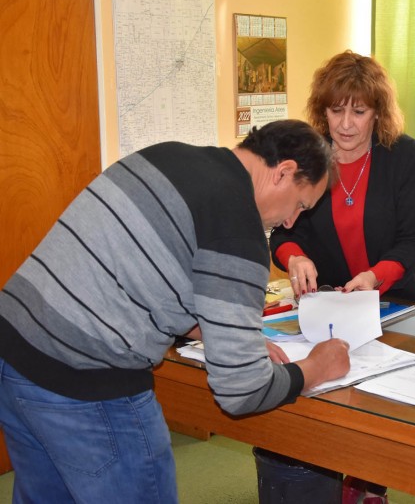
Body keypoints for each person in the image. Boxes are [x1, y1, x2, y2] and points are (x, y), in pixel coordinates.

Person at [0, 119, 351, 503]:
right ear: (283, 172)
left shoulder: (168, 156)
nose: (290, 221)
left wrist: (221, 334)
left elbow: (145, 277)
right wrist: (317, 366)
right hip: (86, 381)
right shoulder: (238, 226)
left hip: (15, 351)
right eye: (300, 205)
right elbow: (241, 391)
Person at [262, 50, 415, 504]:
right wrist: (294, 256)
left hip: (395, 299)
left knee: (382, 407)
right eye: (336, 110)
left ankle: (367, 485)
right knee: (332, 400)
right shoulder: (308, 158)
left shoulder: (404, 156)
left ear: (377, 111)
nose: (346, 123)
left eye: (358, 111)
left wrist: (376, 276)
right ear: (322, 111)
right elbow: (282, 231)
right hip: (330, 306)